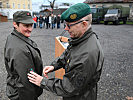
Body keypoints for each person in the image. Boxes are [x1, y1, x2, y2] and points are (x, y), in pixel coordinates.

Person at [28, 3, 104, 100]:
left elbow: (69, 87)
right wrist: (54, 66)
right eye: (65, 24)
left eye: (69, 25)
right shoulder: (80, 38)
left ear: (84, 24)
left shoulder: (86, 54)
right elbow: (68, 53)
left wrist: (42, 81)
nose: (66, 28)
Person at [4, 11, 43, 100]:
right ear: (15, 24)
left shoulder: (13, 36)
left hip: (15, 89)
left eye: (31, 25)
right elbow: (25, 83)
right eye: (26, 25)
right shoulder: (20, 50)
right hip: (22, 95)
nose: (30, 29)